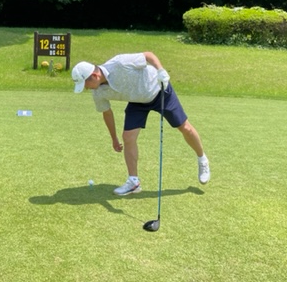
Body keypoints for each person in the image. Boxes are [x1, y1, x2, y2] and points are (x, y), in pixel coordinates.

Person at [71, 52, 210, 195]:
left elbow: (148, 55)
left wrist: (161, 70)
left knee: (185, 128)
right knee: (128, 137)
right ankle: (134, 182)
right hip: (137, 101)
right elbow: (107, 113)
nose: (86, 88)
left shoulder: (120, 63)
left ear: (95, 76)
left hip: (159, 90)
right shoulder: (97, 93)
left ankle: (202, 159)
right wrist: (114, 138)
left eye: (85, 84)